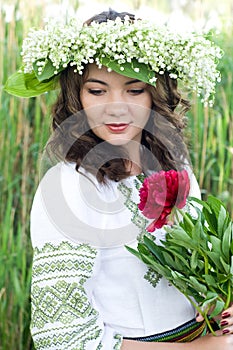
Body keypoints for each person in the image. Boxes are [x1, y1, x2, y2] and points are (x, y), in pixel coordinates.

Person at [4, 8, 233, 350]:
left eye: (135, 89)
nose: (116, 107)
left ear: (155, 94)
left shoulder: (175, 166)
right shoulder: (69, 187)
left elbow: (200, 268)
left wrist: (222, 300)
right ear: (76, 97)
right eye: (97, 91)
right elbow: (63, 337)